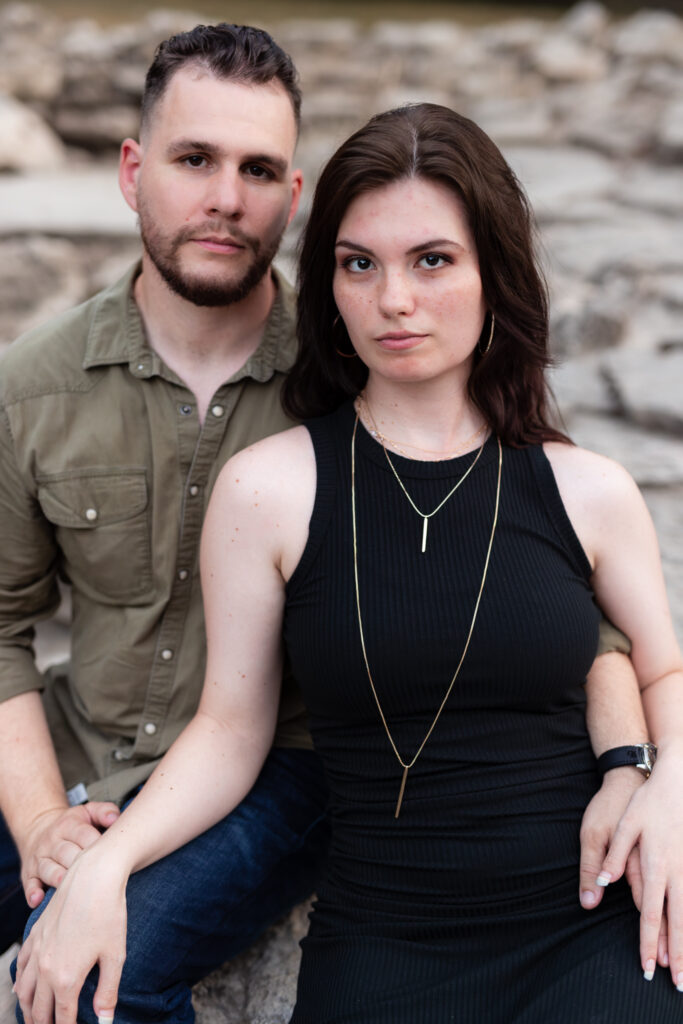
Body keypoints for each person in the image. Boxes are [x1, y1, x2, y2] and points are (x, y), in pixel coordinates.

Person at [11, 102, 683, 1023]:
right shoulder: (269, 490)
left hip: (582, 924)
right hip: (383, 942)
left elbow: (663, 665)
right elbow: (230, 730)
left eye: (432, 261)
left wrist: (662, 779)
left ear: (496, 273)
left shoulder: (587, 488)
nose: (393, 300)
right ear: (327, 283)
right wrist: (107, 865)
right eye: (358, 264)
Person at [0, 23, 331, 1023]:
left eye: (258, 168)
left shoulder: (350, 381)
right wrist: (40, 817)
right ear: (133, 172)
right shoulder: (36, 385)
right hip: (79, 740)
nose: (227, 197)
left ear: (293, 193)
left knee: (98, 975)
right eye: (195, 160)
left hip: (281, 774)